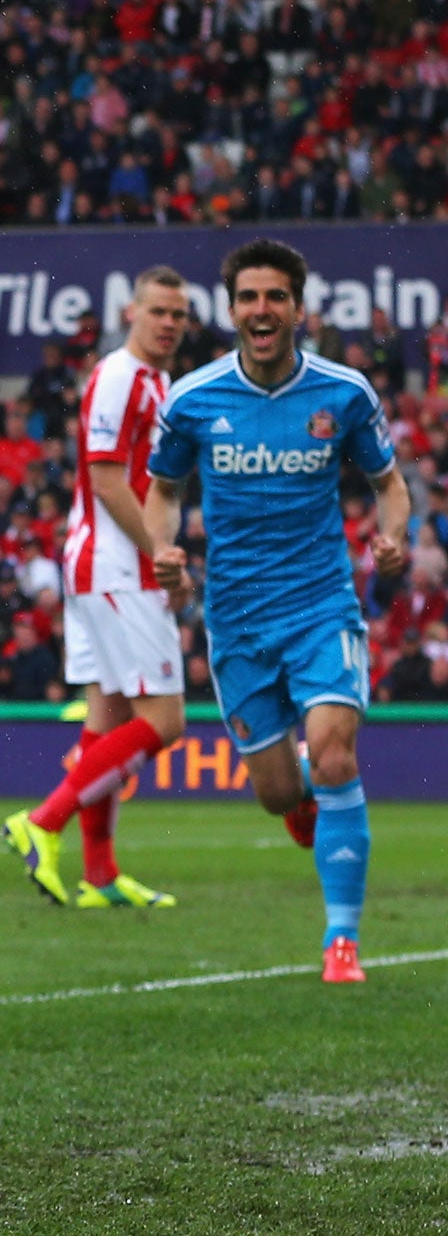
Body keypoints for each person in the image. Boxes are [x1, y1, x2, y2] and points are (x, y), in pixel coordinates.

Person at [143, 239, 411, 984]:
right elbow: (162, 492)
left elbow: (390, 483)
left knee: (336, 752)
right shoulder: (193, 399)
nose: (263, 311)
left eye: (276, 297)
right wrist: (164, 550)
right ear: (231, 312)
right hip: (235, 620)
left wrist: (393, 535)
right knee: (276, 795)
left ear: (298, 307)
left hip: (322, 606)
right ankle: (295, 791)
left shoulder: (344, 393)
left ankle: (342, 941)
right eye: (249, 299)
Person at [1, 267, 189, 908]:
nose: (169, 323)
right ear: (131, 312)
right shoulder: (118, 377)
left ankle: (100, 874)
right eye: (158, 310)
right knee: (164, 720)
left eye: (179, 314)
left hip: (108, 565)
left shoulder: (158, 382)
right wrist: (161, 553)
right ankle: (43, 820)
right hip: (116, 567)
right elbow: (108, 481)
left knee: (105, 719)